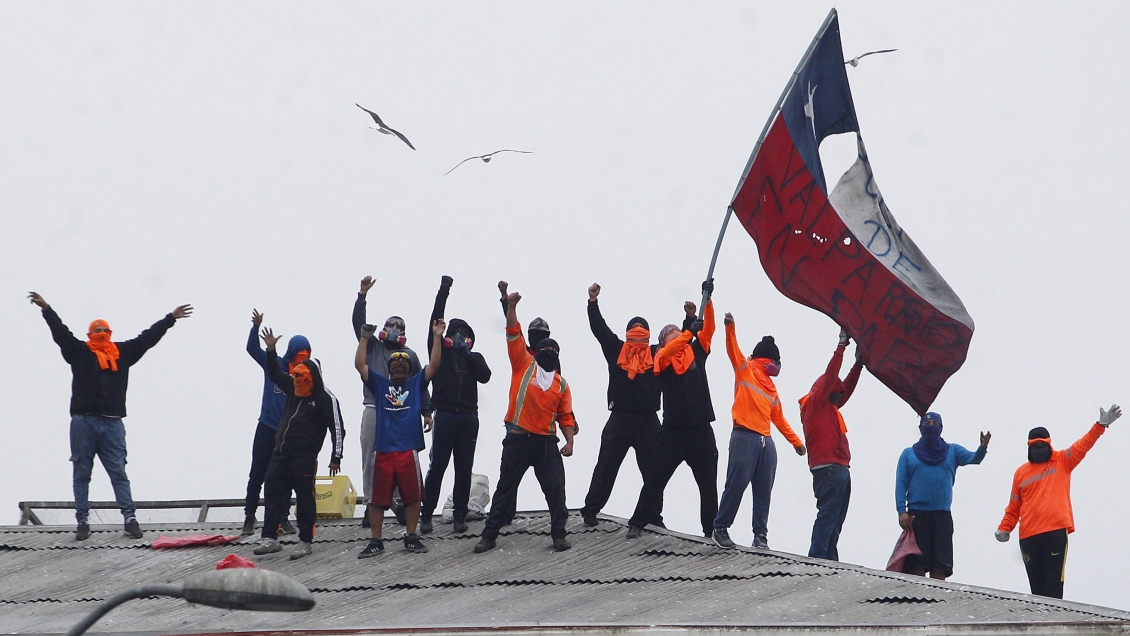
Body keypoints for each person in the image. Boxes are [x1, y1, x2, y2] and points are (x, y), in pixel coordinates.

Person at [28, 292, 192, 541]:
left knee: (118, 472)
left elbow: (147, 338)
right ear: (89, 335)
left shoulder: (122, 353)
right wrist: (47, 310)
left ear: (111, 332)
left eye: (105, 329)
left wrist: (170, 318)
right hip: (84, 421)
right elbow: (61, 335)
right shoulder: (81, 352)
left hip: (113, 421)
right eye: (97, 330)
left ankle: (130, 519)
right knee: (82, 472)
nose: (101, 333)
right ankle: (82, 521)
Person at [474, 289, 576, 554]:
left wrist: (570, 441)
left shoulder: (561, 384)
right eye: (546, 349)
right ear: (536, 351)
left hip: (545, 443)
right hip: (518, 439)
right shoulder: (523, 363)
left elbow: (565, 415)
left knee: (556, 491)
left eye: (555, 351)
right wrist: (510, 306)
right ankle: (489, 536)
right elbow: (513, 332)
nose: (550, 353)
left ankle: (559, 535)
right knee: (505, 490)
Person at [995, 405, 1121, 598]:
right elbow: (1014, 507)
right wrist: (1005, 528)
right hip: (1028, 535)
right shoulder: (1021, 473)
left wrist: (1100, 425)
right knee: (1037, 590)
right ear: (1028, 447)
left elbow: (1083, 444)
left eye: (1042, 445)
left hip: (1054, 532)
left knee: (1053, 585)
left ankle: (1054, 621)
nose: (1039, 449)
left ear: (1049, 444)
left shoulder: (1062, 461)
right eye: (1034, 446)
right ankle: (1041, 625)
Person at [626, 280, 718, 540]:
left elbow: (708, 330)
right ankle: (638, 522)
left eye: (677, 332)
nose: (675, 335)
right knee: (656, 478)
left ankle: (712, 531)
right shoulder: (661, 357)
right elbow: (671, 349)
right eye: (671, 334)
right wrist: (688, 330)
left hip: (701, 428)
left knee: (708, 484)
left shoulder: (696, 350)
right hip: (674, 431)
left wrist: (707, 300)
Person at [712, 314, 806, 550]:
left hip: (766, 442)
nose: (778, 367)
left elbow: (779, 419)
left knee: (763, 490)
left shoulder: (771, 387)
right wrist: (730, 327)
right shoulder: (746, 369)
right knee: (736, 484)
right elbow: (733, 349)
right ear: (769, 360)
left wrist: (796, 442)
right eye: (777, 361)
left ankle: (760, 536)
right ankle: (721, 528)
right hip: (744, 436)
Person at [253, 327, 345, 560]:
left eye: (302, 377)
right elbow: (273, 373)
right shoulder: (293, 386)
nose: (297, 380)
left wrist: (336, 457)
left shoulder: (326, 398)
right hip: (280, 452)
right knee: (272, 490)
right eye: (296, 375)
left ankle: (305, 540)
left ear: (312, 377)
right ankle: (270, 538)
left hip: (304, 457)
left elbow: (338, 429)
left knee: (305, 497)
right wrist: (271, 350)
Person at [355, 319, 444, 557]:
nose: (399, 367)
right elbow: (360, 364)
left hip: (407, 450)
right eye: (395, 363)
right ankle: (376, 540)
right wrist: (364, 337)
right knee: (376, 499)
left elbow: (434, 364)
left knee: (413, 496)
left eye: (403, 363)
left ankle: (411, 536)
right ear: (389, 368)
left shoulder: (415, 385)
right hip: (383, 449)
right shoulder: (380, 384)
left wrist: (437, 337)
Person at [579, 282, 662, 528]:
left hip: (648, 420)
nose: (638, 334)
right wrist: (592, 303)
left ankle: (654, 517)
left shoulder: (658, 354)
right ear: (627, 334)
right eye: (634, 331)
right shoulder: (616, 350)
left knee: (654, 472)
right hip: (620, 418)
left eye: (642, 331)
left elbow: (680, 345)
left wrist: (691, 322)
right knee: (606, 466)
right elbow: (600, 330)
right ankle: (591, 510)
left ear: (649, 335)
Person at [353, 275, 432, 527]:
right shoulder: (373, 346)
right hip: (374, 407)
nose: (395, 328)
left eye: (399, 326)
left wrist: (427, 412)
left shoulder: (409, 355)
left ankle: (399, 502)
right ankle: (370, 505)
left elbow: (422, 384)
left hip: (401, 411)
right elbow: (358, 325)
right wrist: (362, 296)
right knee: (370, 457)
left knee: (400, 457)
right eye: (391, 325)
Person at [419, 276, 492, 535]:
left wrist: (467, 353)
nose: (462, 338)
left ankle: (460, 515)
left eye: (467, 335)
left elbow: (486, 375)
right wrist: (444, 291)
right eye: (457, 334)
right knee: (437, 465)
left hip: (469, 417)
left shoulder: (474, 358)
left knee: (464, 468)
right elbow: (434, 322)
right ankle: (426, 513)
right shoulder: (440, 352)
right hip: (446, 414)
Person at [895, 412, 990, 580]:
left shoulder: (952, 450)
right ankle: (917, 599)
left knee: (941, 564)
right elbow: (901, 484)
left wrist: (982, 448)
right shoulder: (908, 454)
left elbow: (973, 458)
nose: (931, 426)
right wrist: (902, 511)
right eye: (927, 423)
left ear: (941, 428)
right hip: (916, 515)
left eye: (935, 423)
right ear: (920, 428)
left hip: (942, 514)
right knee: (918, 565)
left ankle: (937, 601)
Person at [799, 328, 864, 560]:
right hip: (829, 469)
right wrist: (841, 346)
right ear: (826, 391)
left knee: (835, 520)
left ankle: (829, 559)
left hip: (838, 468)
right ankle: (817, 558)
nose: (839, 396)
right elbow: (831, 376)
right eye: (834, 392)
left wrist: (858, 366)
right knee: (828, 516)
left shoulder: (828, 407)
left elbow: (843, 388)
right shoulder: (814, 404)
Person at [242, 308, 307, 536]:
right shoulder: (275, 364)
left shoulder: (304, 376)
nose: (304, 356)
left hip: (287, 434)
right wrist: (255, 328)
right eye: (300, 352)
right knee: (257, 473)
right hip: (266, 427)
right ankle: (250, 516)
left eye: (307, 353)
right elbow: (251, 349)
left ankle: (283, 518)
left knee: (286, 477)